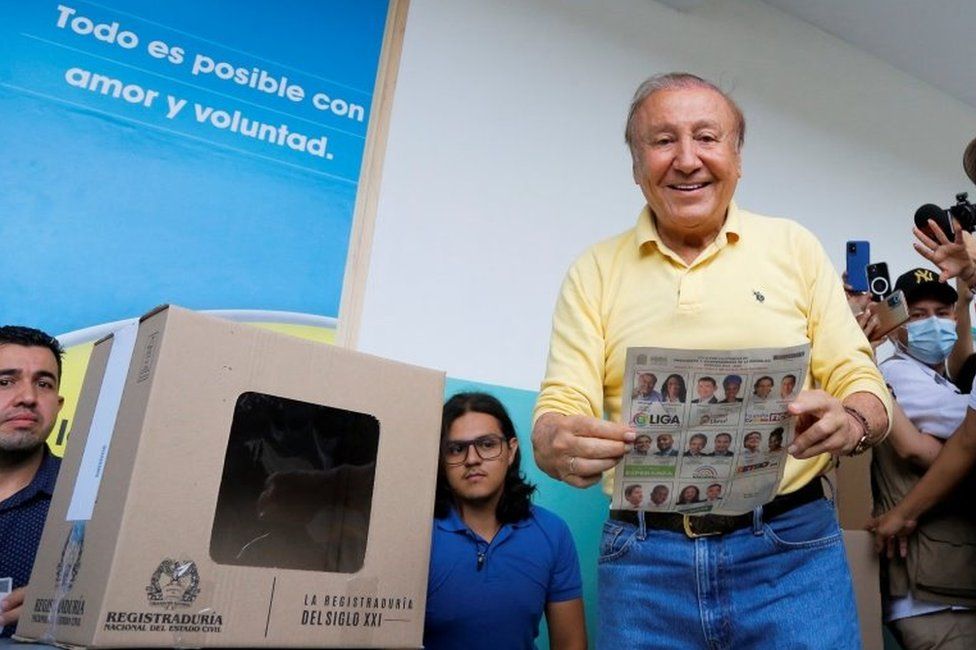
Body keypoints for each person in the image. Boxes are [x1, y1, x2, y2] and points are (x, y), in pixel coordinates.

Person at [531, 72, 889, 648]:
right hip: (644, 564)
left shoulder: (793, 246)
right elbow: (562, 400)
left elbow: (858, 374)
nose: (687, 159)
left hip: (791, 553)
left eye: (707, 137)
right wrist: (553, 439)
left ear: (738, 158)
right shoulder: (593, 270)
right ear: (635, 163)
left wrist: (854, 421)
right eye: (662, 140)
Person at [861, 267, 976, 647]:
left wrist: (965, 288)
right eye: (917, 314)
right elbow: (959, 436)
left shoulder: (937, 378)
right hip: (932, 598)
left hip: (948, 586)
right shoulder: (899, 373)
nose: (933, 324)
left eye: (942, 314)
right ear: (895, 325)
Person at [425, 392, 586, 650]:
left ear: (511, 451)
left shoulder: (552, 533)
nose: (472, 459)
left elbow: (571, 644)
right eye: (456, 449)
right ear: (441, 460)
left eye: (487, 444)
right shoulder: (418, 533)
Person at [0, 326, 64, 638]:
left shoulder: (96, 500)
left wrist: (79, 610)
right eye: (5, 382)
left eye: (43, 383)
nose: (28, 397)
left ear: (59, 404)